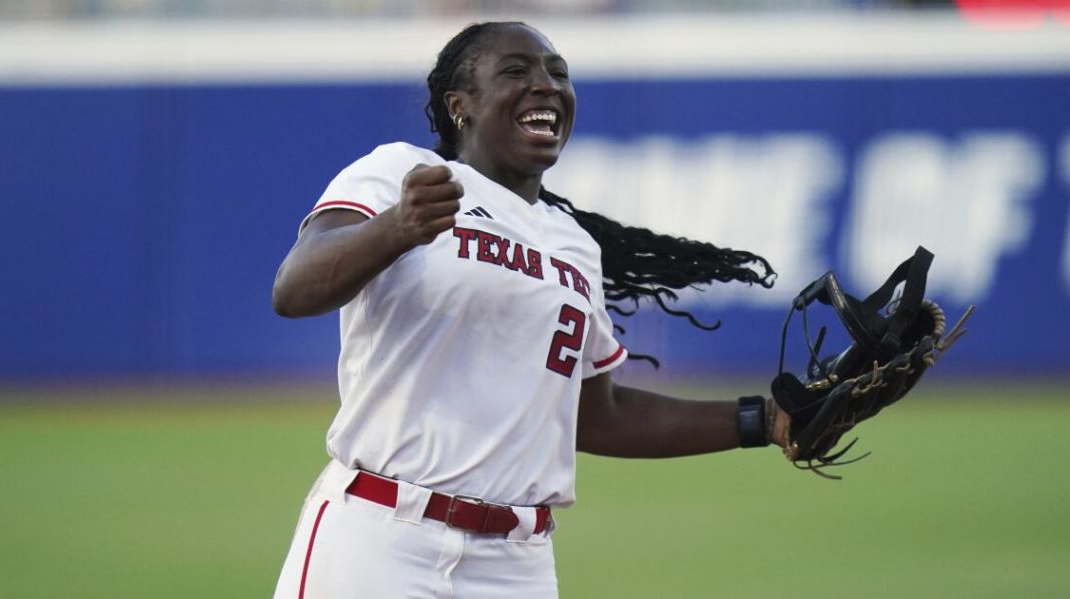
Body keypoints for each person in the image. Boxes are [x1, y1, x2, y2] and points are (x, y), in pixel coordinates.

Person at [270, 21, 789, 599]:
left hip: (516, 565)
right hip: (380, 538)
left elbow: (597, 415)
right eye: (517, 71)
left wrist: (761, 420)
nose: (546, 85)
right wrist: (396, 227)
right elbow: (294, 290)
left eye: (558, 74)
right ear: (459, 105)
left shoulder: (574, 246)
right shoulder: (403, 173)